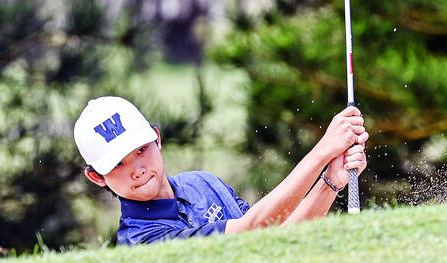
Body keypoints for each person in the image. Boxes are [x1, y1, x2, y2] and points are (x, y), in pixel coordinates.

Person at [73, 95, 369, 245]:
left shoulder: (201, 183)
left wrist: (330, 181)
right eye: (119, 163)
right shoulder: (142, 240)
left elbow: (273, 237)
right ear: (97, 177)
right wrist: (321, 151)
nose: (137, 169)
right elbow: (253, 228)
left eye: (141, 150)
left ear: (157, 139)